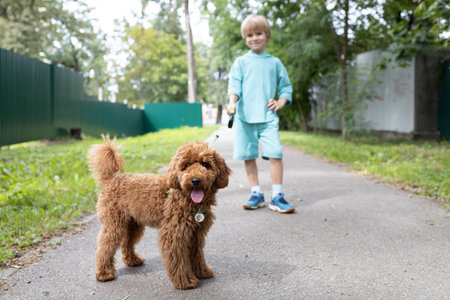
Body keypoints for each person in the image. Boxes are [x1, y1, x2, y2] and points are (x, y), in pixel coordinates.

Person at [227, 14, 294, 214]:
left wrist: (281, 101)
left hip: (268, 118)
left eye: (258, 33)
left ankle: (277, 196)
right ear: (245, 38)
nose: (254, 38)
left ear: (267, 35)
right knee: (248, 156)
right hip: (245, 118)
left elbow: (286, 87)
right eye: (249, 35)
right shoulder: (240, 62)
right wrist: (232, 103)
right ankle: (256, 193)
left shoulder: (275, 63)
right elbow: (234, 85)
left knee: (275, 154)